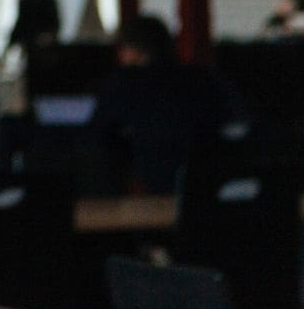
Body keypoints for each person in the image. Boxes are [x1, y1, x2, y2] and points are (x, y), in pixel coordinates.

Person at [88, 15, 242, 194]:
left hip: (151, 185)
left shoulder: (125, 83)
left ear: (133, 49)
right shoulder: (203, 78)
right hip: (210, 180)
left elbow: (98, 132)